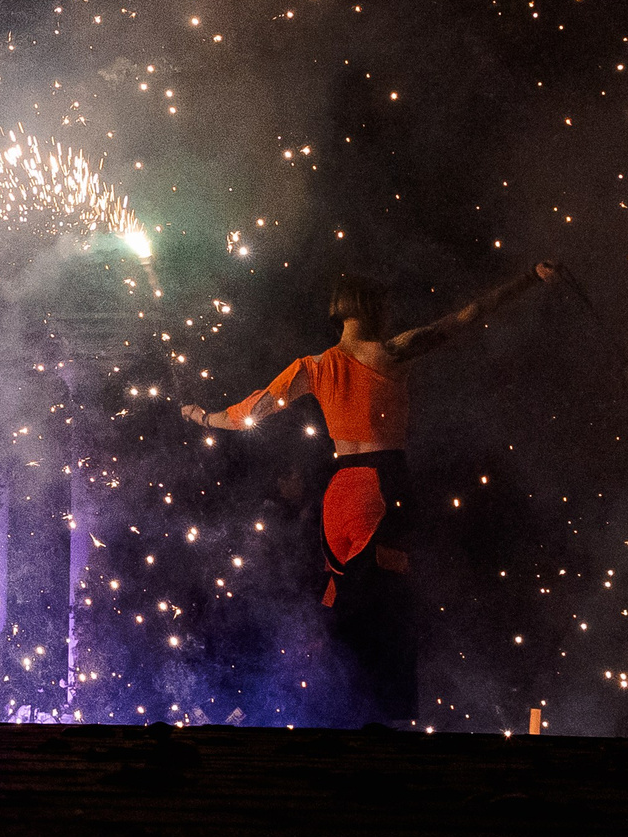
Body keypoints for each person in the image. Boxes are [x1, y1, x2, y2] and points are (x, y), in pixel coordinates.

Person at [182, 263, 557, 725]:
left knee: (342, 599)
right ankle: (382, 721)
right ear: (375, 309)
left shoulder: (313, 367)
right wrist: (529, 279)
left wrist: (202, 416)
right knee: (387, 603)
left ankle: (334, 712)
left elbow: (247, 413)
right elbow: (468, 316)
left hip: (339, 495)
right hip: (381, 487)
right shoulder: (392, 353)